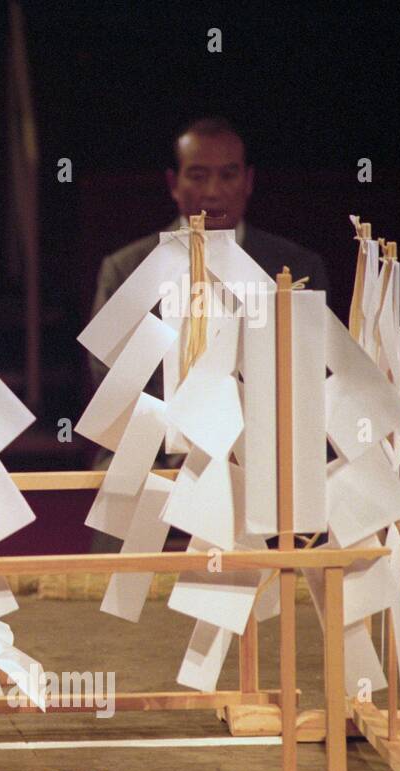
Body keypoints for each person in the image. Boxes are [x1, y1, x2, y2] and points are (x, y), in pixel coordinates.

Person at [87, 117, 331, 551]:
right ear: (174, 183)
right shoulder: (127, 268)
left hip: (263, 453)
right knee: (122, 470)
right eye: (198, 175)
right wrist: (182, 446)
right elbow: (113, 385)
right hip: (158, 452)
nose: (214, 191)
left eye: (228, 174)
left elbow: (311, 381)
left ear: (249, 180)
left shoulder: (294, 267)